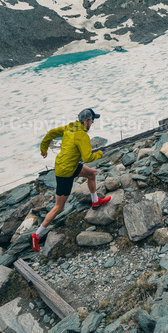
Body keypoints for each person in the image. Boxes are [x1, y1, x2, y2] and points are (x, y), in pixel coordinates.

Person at [32, 108, 111, 252]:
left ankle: (95, 201)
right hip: (65, 172)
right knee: (58, 208)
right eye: (92, 120)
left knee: (92, 174)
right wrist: (99, 153)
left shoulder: (70, 127)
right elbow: (87, 157)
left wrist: (44, 148)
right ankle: (36, 235)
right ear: (86, 121)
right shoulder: (82, 135)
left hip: (68, 165)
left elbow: (50, 134)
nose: (93, 123)